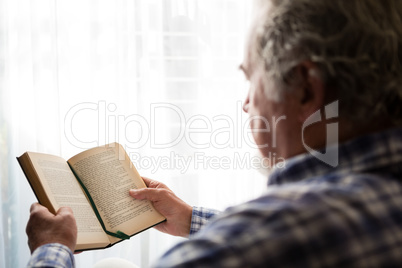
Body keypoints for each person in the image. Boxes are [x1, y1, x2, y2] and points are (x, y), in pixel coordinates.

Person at [26, 0, 402, 267]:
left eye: (250, 78)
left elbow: (265, 239)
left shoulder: (256, 241)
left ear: (305, 88)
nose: (246, 104)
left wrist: (52, 249)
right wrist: (190, 218)